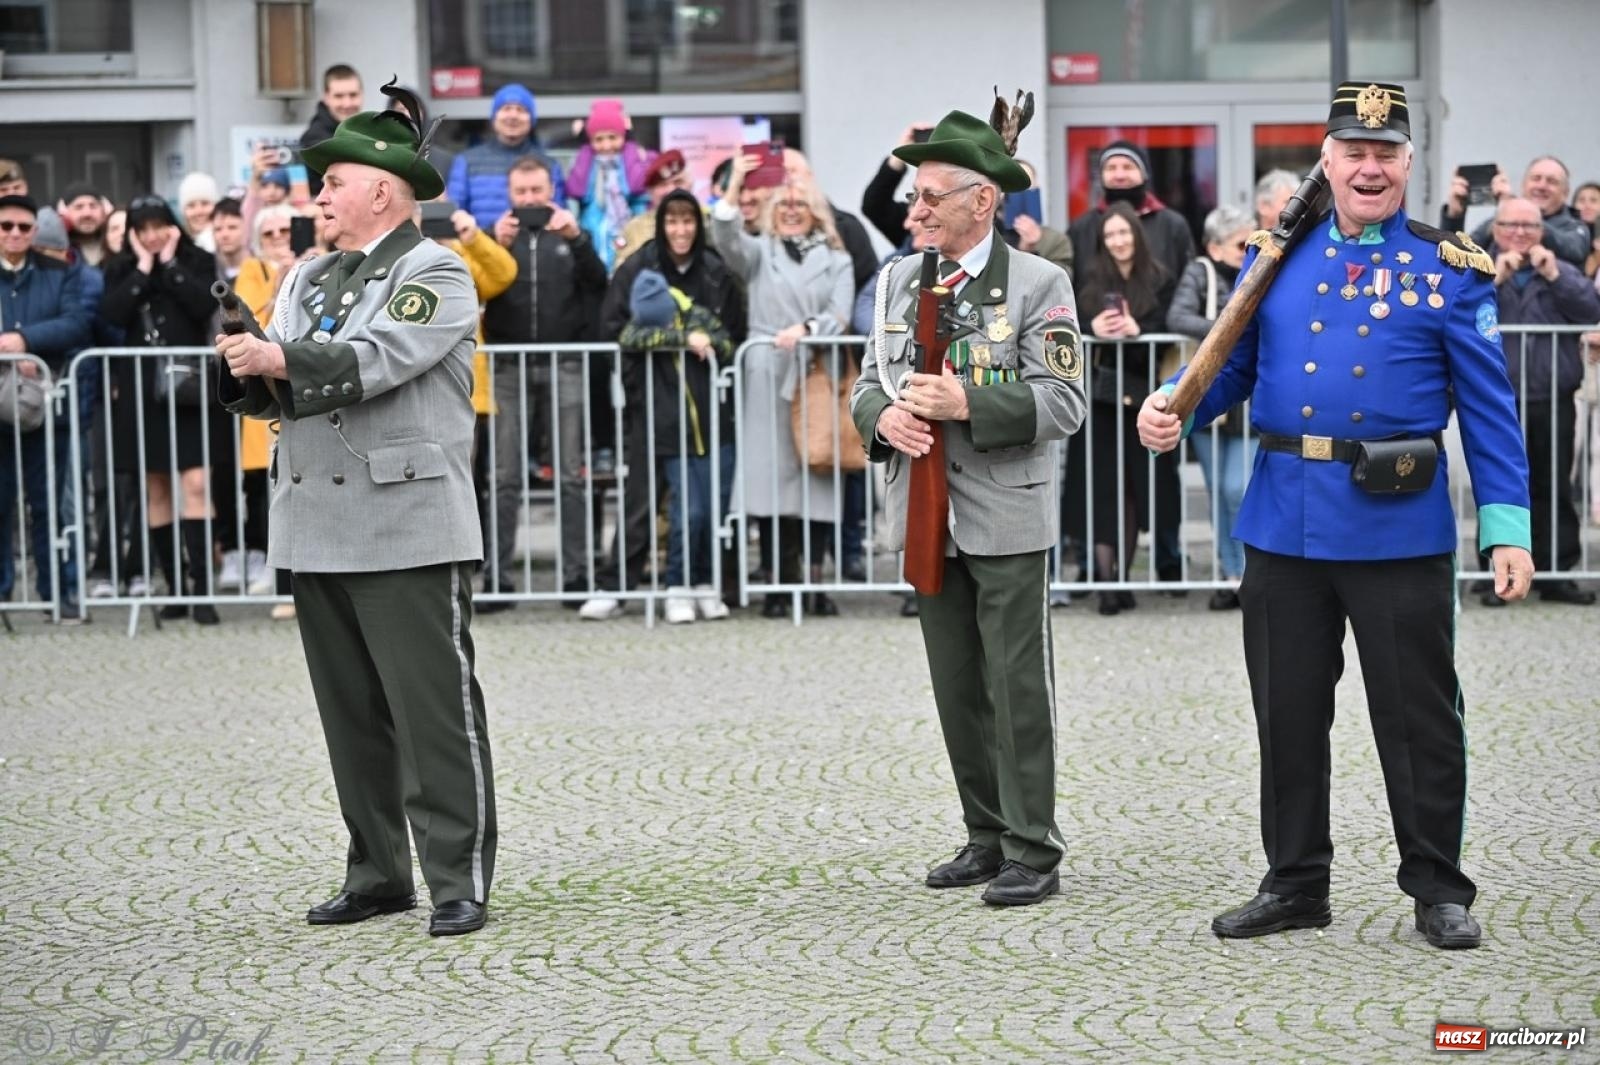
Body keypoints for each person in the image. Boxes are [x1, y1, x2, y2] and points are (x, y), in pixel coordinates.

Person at [1137, 82, 1534, 950]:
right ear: (1327, 160)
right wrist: (1175, 403)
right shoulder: (1276, 255)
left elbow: (1491, 409)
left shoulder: (1447, 268)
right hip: (1285, 524)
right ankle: (1294, 881)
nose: (1369, 167)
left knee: (1417, 715)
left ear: (1407, 166)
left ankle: (1437, 885)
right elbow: (1229, 366)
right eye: (1354, 151)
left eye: (1386, 154)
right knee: (1285, 713)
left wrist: (1507, 525)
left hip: (1398, 527)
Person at [215, 86, 496, 937]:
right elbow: (285, 386)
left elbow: (379, 356)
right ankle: (377, 870)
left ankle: (457, 876)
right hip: (317, 520)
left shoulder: (434, 268)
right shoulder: (304, 274)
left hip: (405, 519)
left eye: (333, 181)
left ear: (382, 187)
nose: (320, 196)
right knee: (351, 716)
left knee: (432, 711)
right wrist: (245, 367)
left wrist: (277, 355)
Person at [851, 110, 1086, 906]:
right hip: (922, 510)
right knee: (955, 683)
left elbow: (1064, 401)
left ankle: (1032, 845)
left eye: (929, 197)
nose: (914, 211)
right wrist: (879, 418)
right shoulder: (897, 278)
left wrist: (968, 400)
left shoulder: (1038, 282)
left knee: (1017, 684)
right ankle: (984, 833)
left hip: (1005, 511)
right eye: (916, 197)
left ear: (981, 201)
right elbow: (865, 384)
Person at [586, 188, 747, 623]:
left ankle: (704, 582)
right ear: (661, 224)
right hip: (650, 403)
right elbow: (613, 328)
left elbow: (733, 332)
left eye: (688, 221)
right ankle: (615, 585)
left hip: (704, 403)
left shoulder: (715, 270)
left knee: (703, 504)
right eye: (672, 221)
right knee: (640, 500)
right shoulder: (639, 264)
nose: (680, 230)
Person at [712, 155, 854, 617]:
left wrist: (809, 328)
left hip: (814, 373)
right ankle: (777, 584)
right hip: (766, 373)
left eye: (800, 203)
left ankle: (813, 582)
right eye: (784, 203)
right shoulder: (760, 252)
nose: (792, 210)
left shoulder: (836, 258)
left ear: (815, 209)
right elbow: (725, 235)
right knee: (769, 486)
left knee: (816, 477)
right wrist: (735, 183)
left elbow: (840, 312)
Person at [480, 155, 608, 608]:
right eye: (522, 193)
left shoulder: (571, 235)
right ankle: (497, 577)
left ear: (551, 190)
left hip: (566, 362)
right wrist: (493, 244)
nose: (530, 200)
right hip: (508, 365)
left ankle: (577, 576)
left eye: (537, 191)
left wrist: (576, 239)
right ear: (510, 195)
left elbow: (600, 283)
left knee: (572, 473)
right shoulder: (497, 239)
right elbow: (476, 285)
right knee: (504, 476)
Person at [99, 194, 224, 625]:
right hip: (141, 390)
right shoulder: (120, 268)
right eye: (143, 228)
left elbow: (204, 304)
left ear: (172, 226)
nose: (151, 236)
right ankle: (175, 590)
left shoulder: (199, 260)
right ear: (133, 233)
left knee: (194, 484)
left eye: (158, 226)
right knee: (155, 488)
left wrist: (170, 265)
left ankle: (203, 592)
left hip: (189, 389)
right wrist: (144, 269)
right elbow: (112, 314)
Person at [1484, 197, 1600, 605]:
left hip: (1552, 394)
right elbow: (1452, 312)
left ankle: (1556, 572)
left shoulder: (1561, 270)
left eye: (1529, 227)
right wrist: (1493, 280)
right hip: (1496, 400)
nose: (1519, 233)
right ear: (1496, 230)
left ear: (1542, 232)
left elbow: (1591, 308)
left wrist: (1554, 275)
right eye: (1510, 225)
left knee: (1554, 485)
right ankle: (1494, 575)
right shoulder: (1476, 269)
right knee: (1497, 485)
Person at [1061, 201, 1173, 615]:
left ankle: (1122, 578)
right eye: (1110, 235)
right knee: (1101, 488)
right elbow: (1066, 327)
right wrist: (1093, 329)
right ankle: (1107, 582)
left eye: (1124, 233)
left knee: (1132, 489)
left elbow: (1170, 326)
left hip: (1145, 397)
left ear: (1136, 236)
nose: (1118, 241)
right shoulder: (1088, 282)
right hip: (1101, 400)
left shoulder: (1159, 279)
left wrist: (1138, 330)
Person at [0, 194, 93, 620]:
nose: (15, 234)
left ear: (35, 232)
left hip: (45, 409)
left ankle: (58, 592)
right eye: (6, 226)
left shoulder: (61, 273)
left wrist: (26, 341)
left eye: (23, 227)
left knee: (50, 504)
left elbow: (77, 323)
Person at [1166, 204, 1258, 609]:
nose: (1248, 248)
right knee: (1218, 491)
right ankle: (1229, 573)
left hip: (1247, 402)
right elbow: (1178, 317)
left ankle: (1248, 570)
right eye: (1241, 242)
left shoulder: (1261, 269)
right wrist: (1228, 330)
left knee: (1238, 487)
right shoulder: (1199, 271)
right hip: (1208, 396)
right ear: (1217, 246)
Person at [447, 84, 566, 232]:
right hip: (481, 251)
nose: (513, 115)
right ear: (494, 117)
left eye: (520, 110)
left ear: (531, 119)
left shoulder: (549, 165)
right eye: (506, 109)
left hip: (535, 250)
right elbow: (455, 214)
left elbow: (558, 217)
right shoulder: (466, 162)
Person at [1441, 155, 1590, 268]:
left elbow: (1573, 251)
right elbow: (1455, 256)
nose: (1542, 186)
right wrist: (1454, 216)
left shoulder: (1576, 227)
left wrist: (1513, 208)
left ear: (1566, 192)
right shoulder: (1499, 222)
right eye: (1536, 178)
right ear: (1523, 186)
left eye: (1552, 181)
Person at [567, 98, 655, 273]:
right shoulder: (586, 162)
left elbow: (637, 186)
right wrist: (585, 151)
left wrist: (630, 149)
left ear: (623, 136)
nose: (606, 145)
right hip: (595, 236)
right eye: (598, 139)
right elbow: (576, 190)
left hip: (629, 231)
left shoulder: (639, 158)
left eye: (613, 137)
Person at [298, 63, 364, 196]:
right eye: (339, 96)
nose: (347, 103)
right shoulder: (315, 139)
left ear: (362, 95)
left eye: (353, 95)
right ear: (326, 97)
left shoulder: (367, 130)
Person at [57, 183, 109, 267]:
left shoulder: (114, 246)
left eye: (93, 206)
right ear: (65, 213)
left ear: (104, 211)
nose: (87, 214)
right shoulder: (58, 250)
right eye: (79, 207)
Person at [177, 173, 219, 252]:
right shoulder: (178, 245)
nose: (199, 212)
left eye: (205, 203)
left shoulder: (224, 246)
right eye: (191, 205)